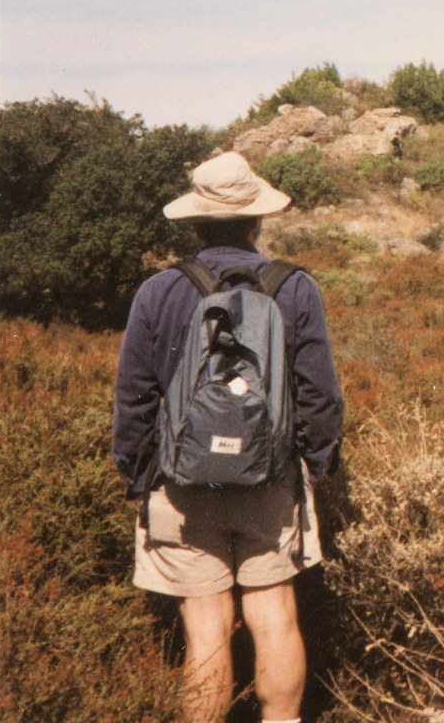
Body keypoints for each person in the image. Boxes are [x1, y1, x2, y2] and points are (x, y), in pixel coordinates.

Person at [113, 151, 344, 723]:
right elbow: (319, 394)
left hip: (182, 483)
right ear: (257, 220)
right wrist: (315, 467)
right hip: (270, 478)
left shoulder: (159, 291)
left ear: (194, 220)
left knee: (205, 627)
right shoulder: (295, 289)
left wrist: (140, 476)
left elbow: (134, 395)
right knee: (275, 616)